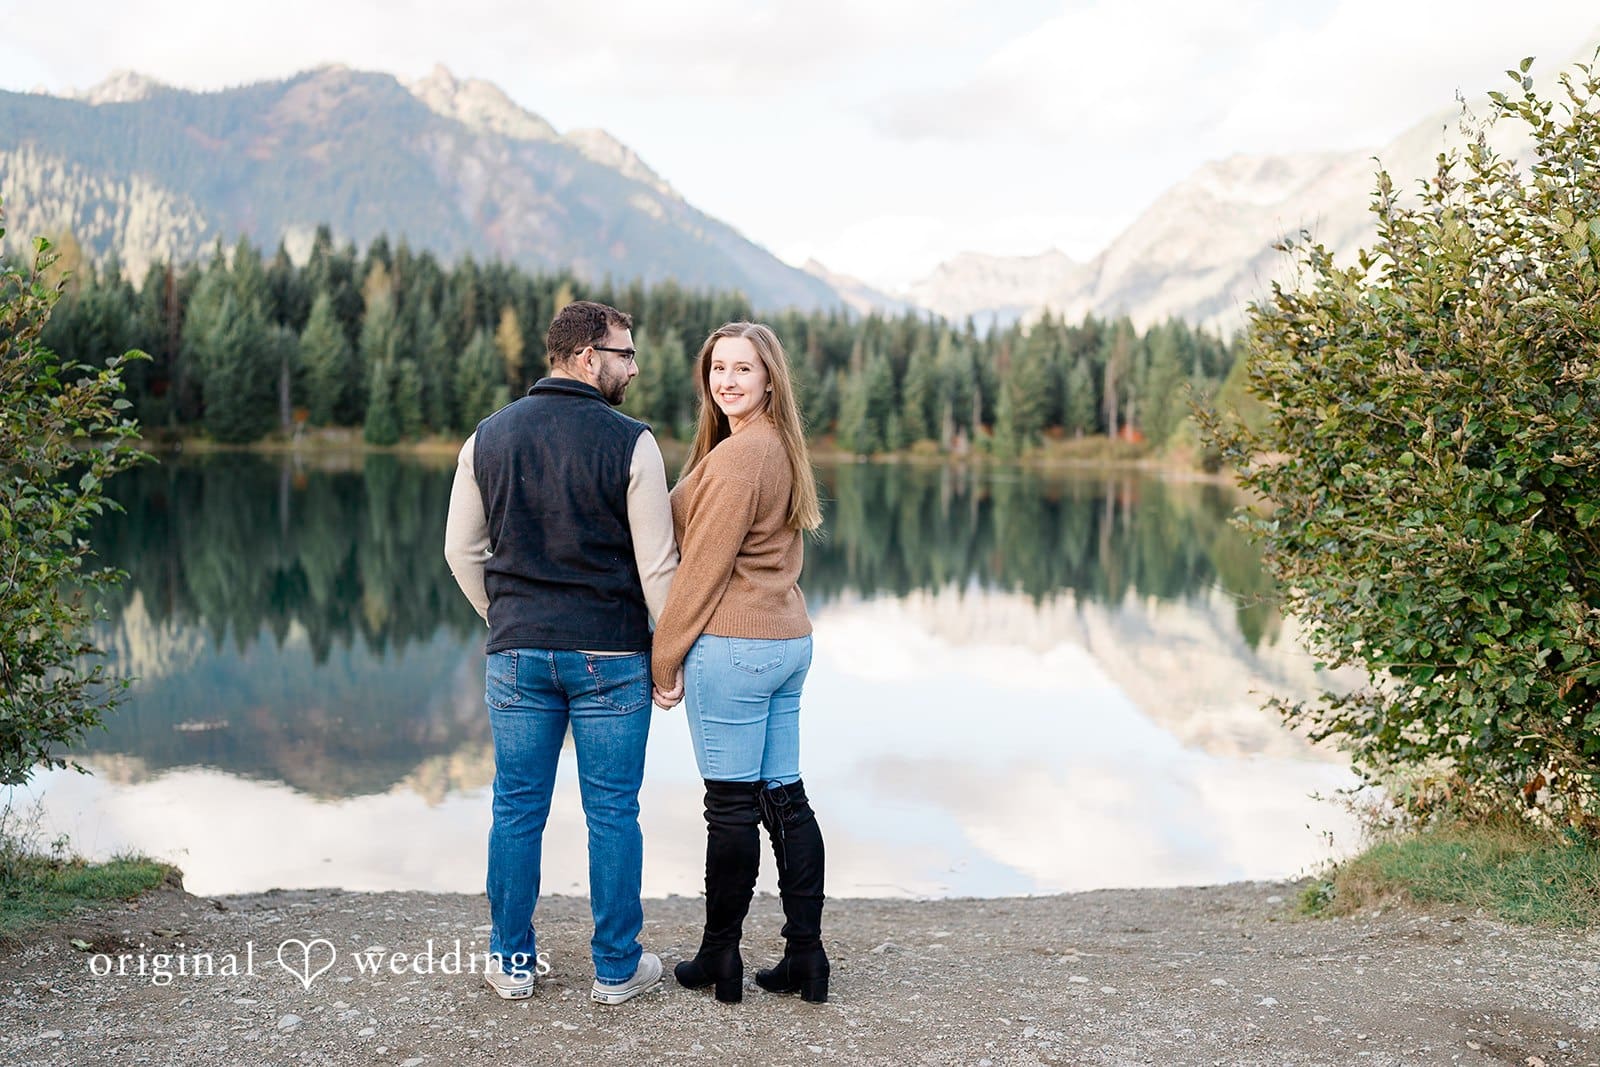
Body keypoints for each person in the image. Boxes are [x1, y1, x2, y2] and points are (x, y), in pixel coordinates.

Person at [444, 300, 682, 1005]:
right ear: (586, 357)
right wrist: (667, 654)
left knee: (517, 808)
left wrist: (506, 618)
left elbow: (460, 550)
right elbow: (658, 568)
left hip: (518, 652)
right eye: (624, 354)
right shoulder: (632, 442)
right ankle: (616, 968)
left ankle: (512, 963)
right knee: (612, 811)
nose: (633, 368)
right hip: (612, 652)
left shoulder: (485, 437)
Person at [650, 321, 830, 1004]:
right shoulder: (777, 445)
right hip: (786, 641)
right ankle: (806, 957)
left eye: (743, 369)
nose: (726, 380)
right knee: (784, 797)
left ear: (769, 379)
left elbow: (702, 570)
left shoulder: (739, 458)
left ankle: (720, 957)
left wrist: (665, 654)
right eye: (718, 368)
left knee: (730, 808)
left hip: (736, 646)